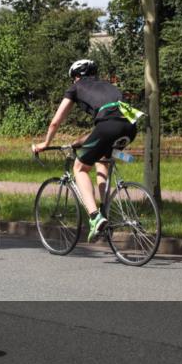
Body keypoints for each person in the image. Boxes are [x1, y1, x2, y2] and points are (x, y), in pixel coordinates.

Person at [32, 59, 142, 243]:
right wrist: (80, 141)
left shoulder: (75, 88)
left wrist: (45, 143)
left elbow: (55, 122)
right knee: (101, 161)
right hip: (130, 127)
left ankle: (94, 217)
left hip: (108, 126)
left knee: (79, 168)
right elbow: (112, 122)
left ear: (75, 77)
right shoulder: (109, 87)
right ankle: (104, 210)